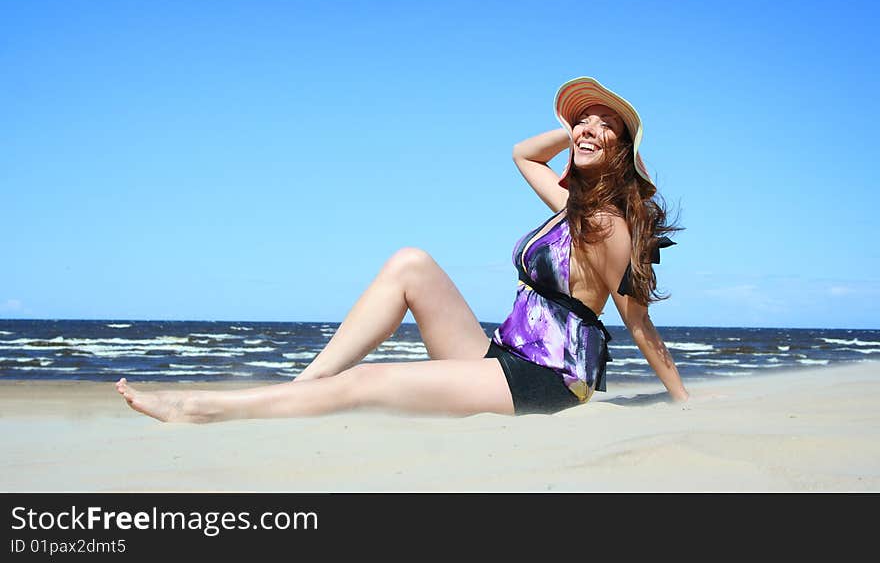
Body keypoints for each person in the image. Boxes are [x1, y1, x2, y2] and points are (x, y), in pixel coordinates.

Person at [115, 76, 689, 422]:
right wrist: (576, 129)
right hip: (502, 357)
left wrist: (682, 399)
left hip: (548, 381)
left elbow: (636, 322)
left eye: (602, 126)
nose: (588, 128)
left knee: (371, 383)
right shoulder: (568, 206)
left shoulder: (610, 225)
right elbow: (521, 154)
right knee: (410, 262)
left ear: (623, 149)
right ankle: (300, 388)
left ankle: (201, 410)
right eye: (583, 120)